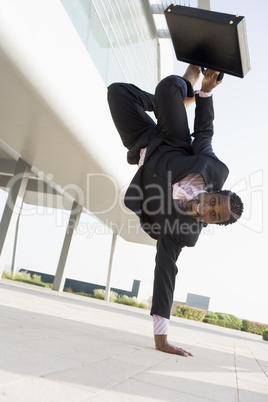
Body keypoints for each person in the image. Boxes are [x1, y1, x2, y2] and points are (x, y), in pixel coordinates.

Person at [107, 65, 243, 357]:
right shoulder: (213, 168)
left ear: (212, 223)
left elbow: (165, 272)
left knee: (117, 93)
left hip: (143, 143)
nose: (205, 207)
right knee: (169, 87)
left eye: (213, 214)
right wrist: (205, 91)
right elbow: (204, 133)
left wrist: (162, 339)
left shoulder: (184, 232)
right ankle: (185, 90)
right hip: (172, 141)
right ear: (214, 191)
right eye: (213, 201)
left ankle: (176, 102)